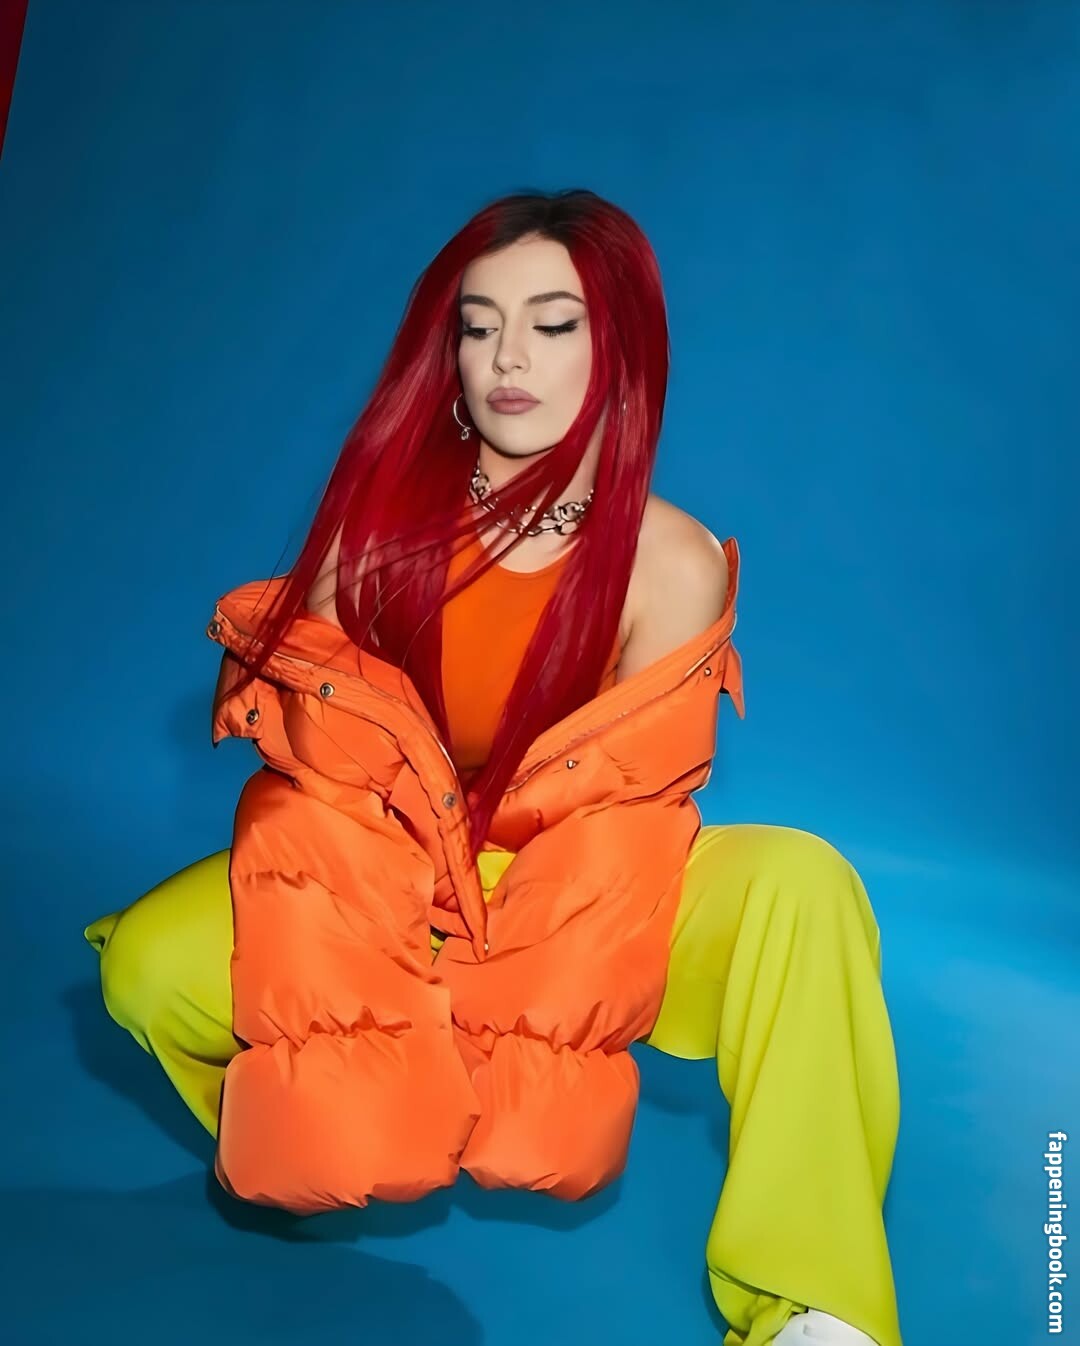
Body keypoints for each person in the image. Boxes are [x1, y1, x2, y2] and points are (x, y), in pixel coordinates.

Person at [83, 190, 904, 1346]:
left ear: (620, 350)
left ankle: (810, 1300)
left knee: (799, 886)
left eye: (553, 323)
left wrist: (523, 1030)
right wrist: (354, 1048)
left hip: (590, 891)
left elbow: (621, 818)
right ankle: (318, 1125)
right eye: (480, 326)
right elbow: (330, 787)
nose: (509, 357)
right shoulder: (378, 533)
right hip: (397, 876)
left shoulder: (672, 562)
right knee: (149, 964)